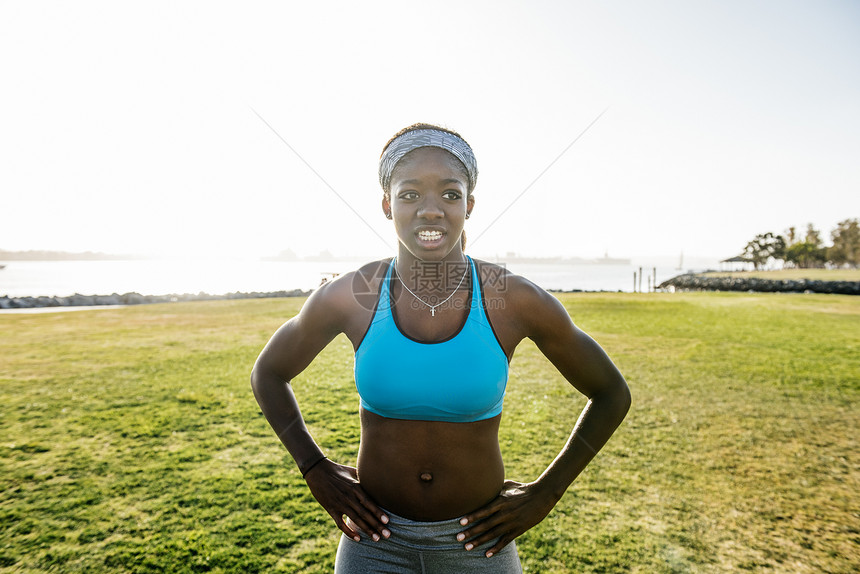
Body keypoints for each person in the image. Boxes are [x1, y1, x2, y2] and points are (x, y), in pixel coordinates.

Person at [251, 123, 631, 573]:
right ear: (387, 203)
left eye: (450, 195)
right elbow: (269, 373)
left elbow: (611, 393)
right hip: (374, 543)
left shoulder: (511, 298)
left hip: (479, 545)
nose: (431, 211)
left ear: (469, 205)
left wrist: (547, 492)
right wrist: (313, 466)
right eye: (410, 194)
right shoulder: (353, 293)